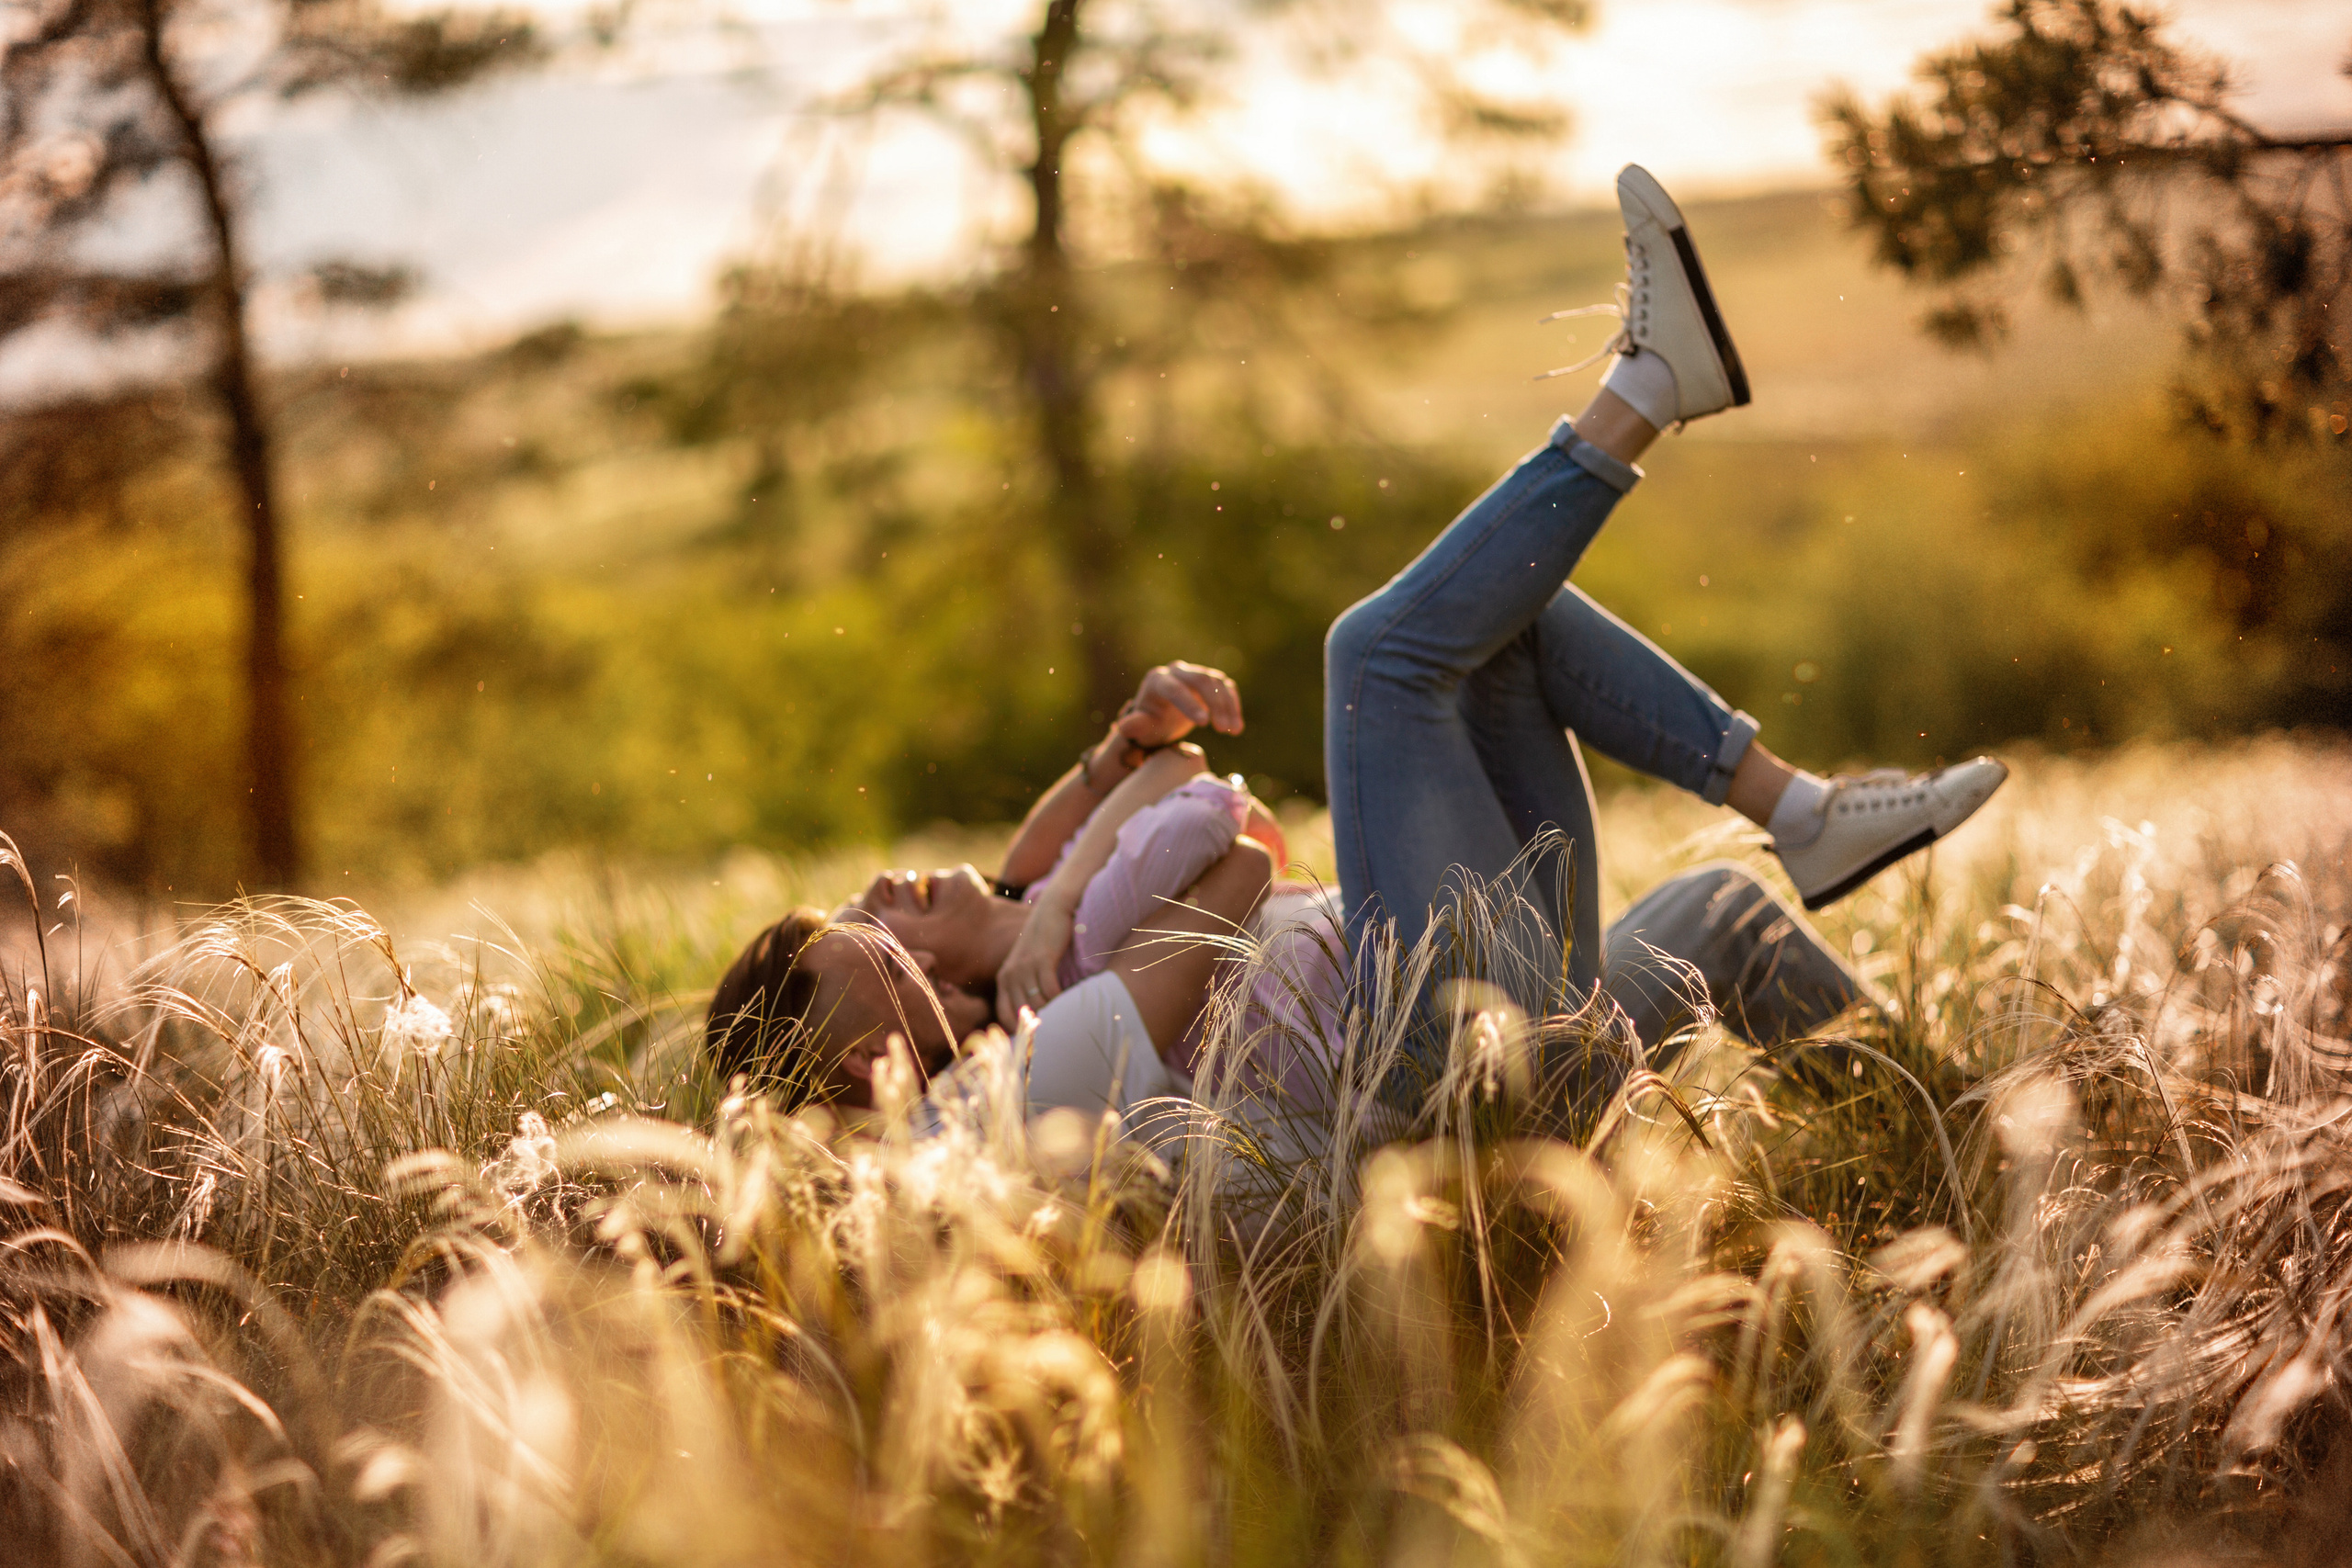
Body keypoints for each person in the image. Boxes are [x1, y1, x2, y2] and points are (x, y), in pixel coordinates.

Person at [705, 163, 2003, 1129]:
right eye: (852, 942)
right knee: (1375, 654)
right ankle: (1651, 391)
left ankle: (1950, 1132)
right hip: (1434, 1062)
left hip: (1466, 993)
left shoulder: (1037, 927)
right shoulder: (1022, 1081)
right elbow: (1235, 843)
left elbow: (1120, 799)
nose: (878, 896)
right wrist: (1079, 870)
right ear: (856, 1059)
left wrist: (1105, 784)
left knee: (1683, 866)